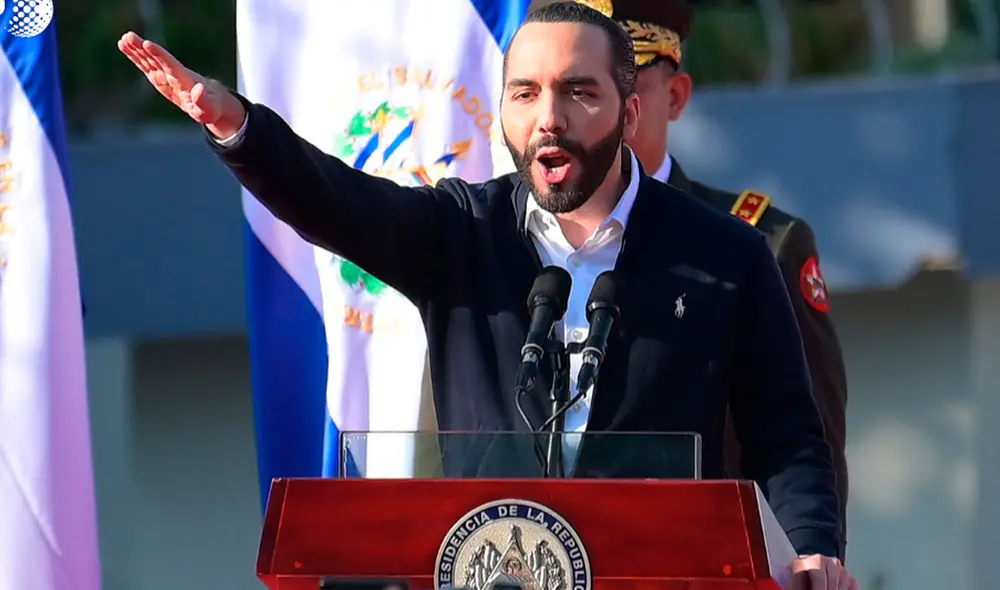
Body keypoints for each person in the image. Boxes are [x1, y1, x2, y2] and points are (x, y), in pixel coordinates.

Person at [119, 2, 856, 587]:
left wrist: (815, 549)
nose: (548, 118)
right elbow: (337, 202)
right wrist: (239, 129)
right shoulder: (462, 230)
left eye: (578, 92)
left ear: (630, 114)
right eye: (525, 93)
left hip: (662, 576)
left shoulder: (727, 253)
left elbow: (788, 434)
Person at [578, 0, 852, 558]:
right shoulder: (516, 235)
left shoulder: (757, 244)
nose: (603, 111)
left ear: (674, 96)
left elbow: (806, 449)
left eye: (625, 84)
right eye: (582, 89)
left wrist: (809, 561)